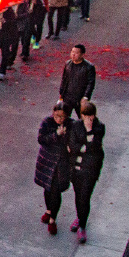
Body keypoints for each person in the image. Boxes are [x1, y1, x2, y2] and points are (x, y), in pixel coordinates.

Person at [67, 101, 106, 245]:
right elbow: (73, 145)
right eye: (86, 116)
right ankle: (80, 216)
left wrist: (89, 132)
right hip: (76, 168)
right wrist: (86, 144)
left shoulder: (99, 127)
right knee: (78, 196)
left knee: (85, 196)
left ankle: (82, 225)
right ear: (82, 115)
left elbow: (95, 148)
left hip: (90, 169)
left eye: (91, 116)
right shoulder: (76, 126)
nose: (89, 119)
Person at [34, 104, 72, 237]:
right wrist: (56, 134)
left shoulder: (71, 125)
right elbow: (41, 139)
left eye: (62, 117)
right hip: (47, 161)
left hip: (61, 163)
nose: (59, 119)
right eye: (57, 116)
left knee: (55, 190)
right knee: (47, 188)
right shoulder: (47, 122)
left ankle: (52, 219)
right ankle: (49, 210)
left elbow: (75, 140)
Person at [58, 44, 96, 115]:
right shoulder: (68, 64)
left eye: (76, 53)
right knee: (64, 117)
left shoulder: (89, 67)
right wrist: (61, 92)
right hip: (67, 97)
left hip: (80, 98)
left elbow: (90, 83)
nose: (73, 54)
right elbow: (64, 79)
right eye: (72, 52)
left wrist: (86, 97)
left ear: (82, 55)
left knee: (83, 117)